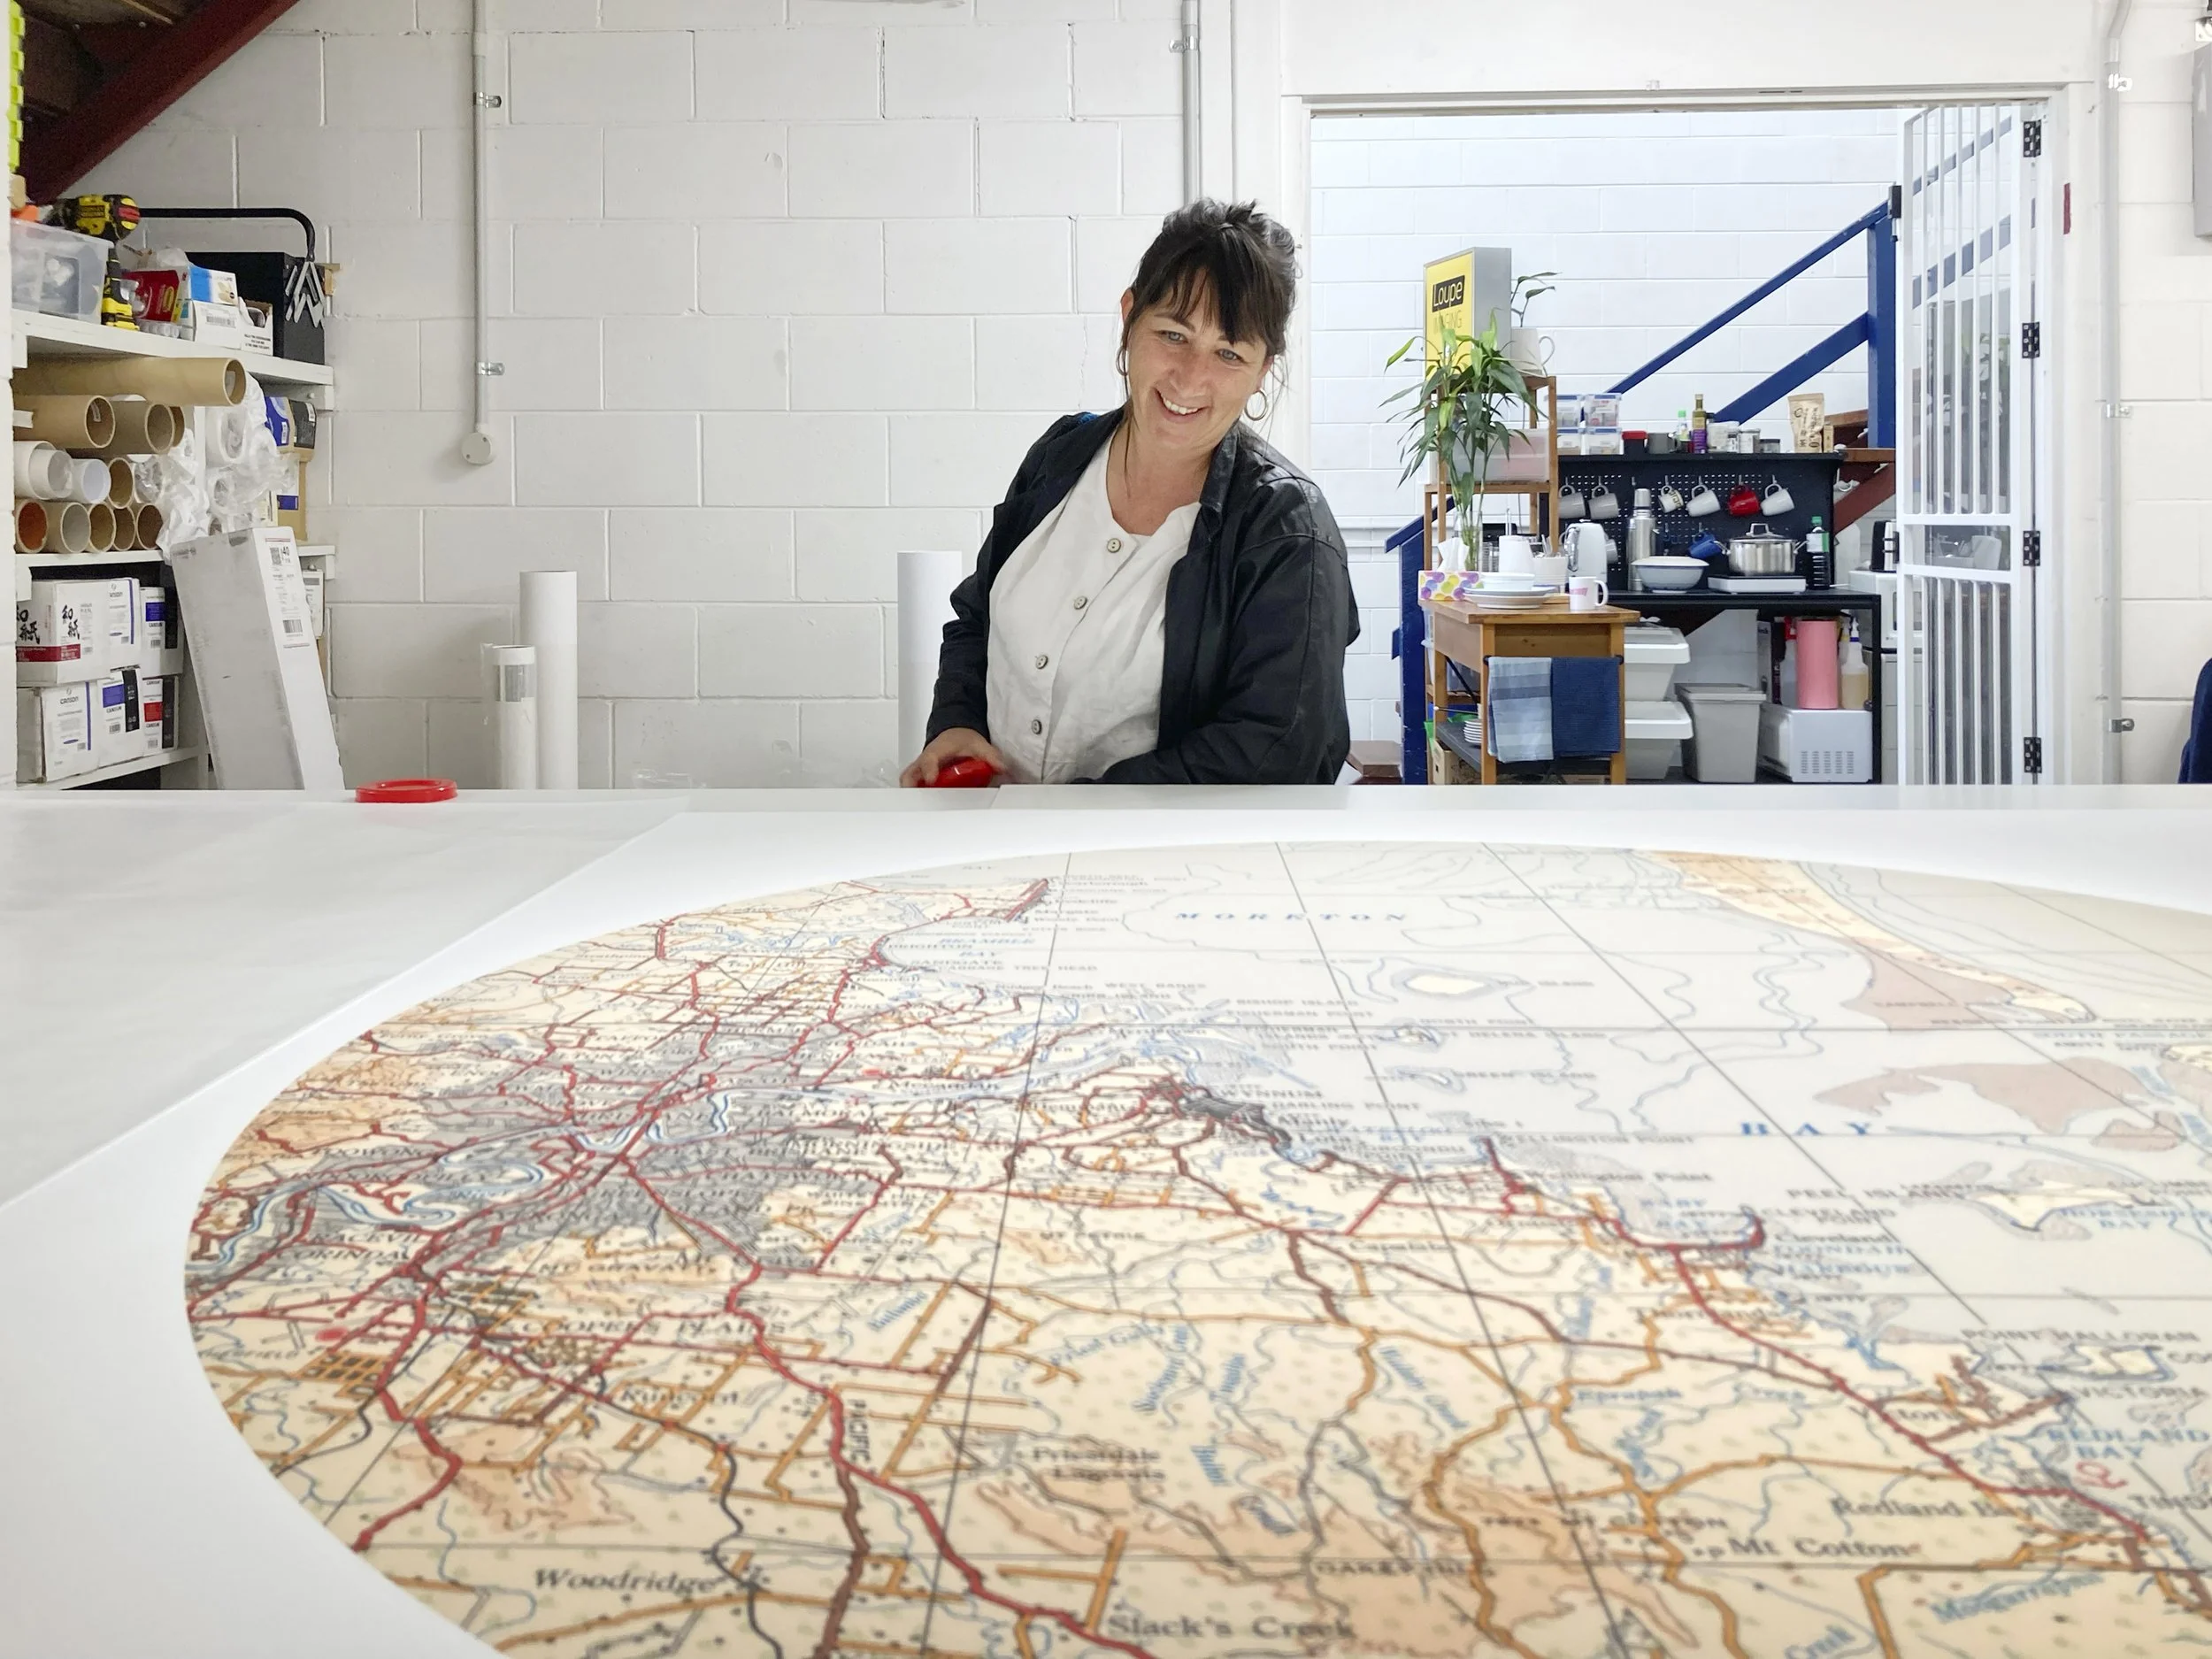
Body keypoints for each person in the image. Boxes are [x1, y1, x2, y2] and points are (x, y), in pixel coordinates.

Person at [900, 199, 1356, 787]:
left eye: (1228, 353)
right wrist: (956, 723)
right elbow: (977, 617)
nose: (1191, 378)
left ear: (1263, 368)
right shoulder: (1060, 457)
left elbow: (1279, 748)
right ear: (1129, 317)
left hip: (1167, 866)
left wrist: (1077, 814)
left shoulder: (1287, 529)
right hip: (1007, 844)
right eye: (1172, 334)